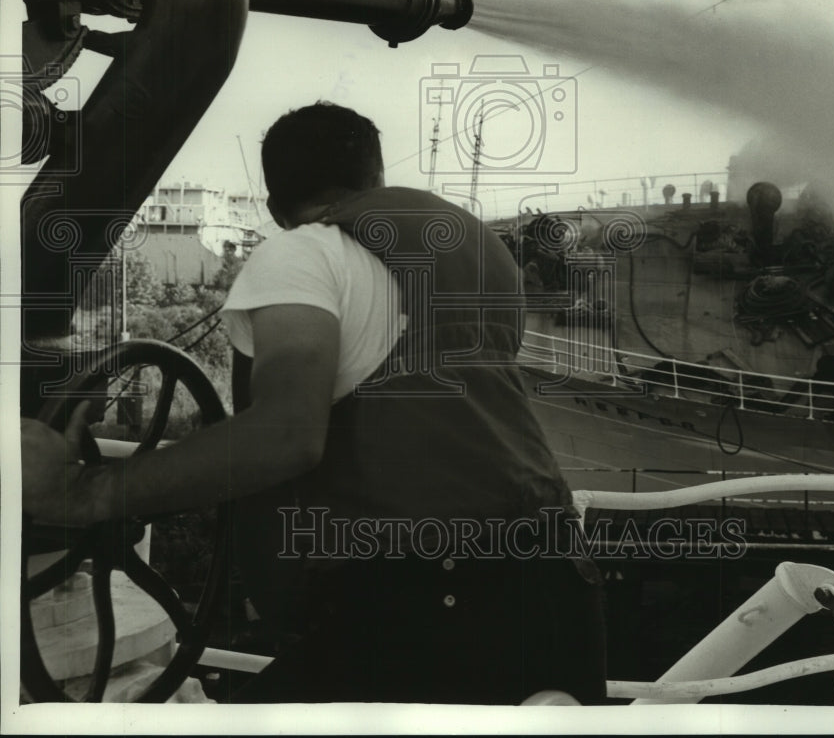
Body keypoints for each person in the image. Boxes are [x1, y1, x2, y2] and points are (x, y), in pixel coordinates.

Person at [21, 101, 607, 705]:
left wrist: (86, 494)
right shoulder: (481, 255)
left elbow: (286, 437)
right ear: (375, 180)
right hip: (554, 582)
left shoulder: (305, 251)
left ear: (276, 206)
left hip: (434, 599)